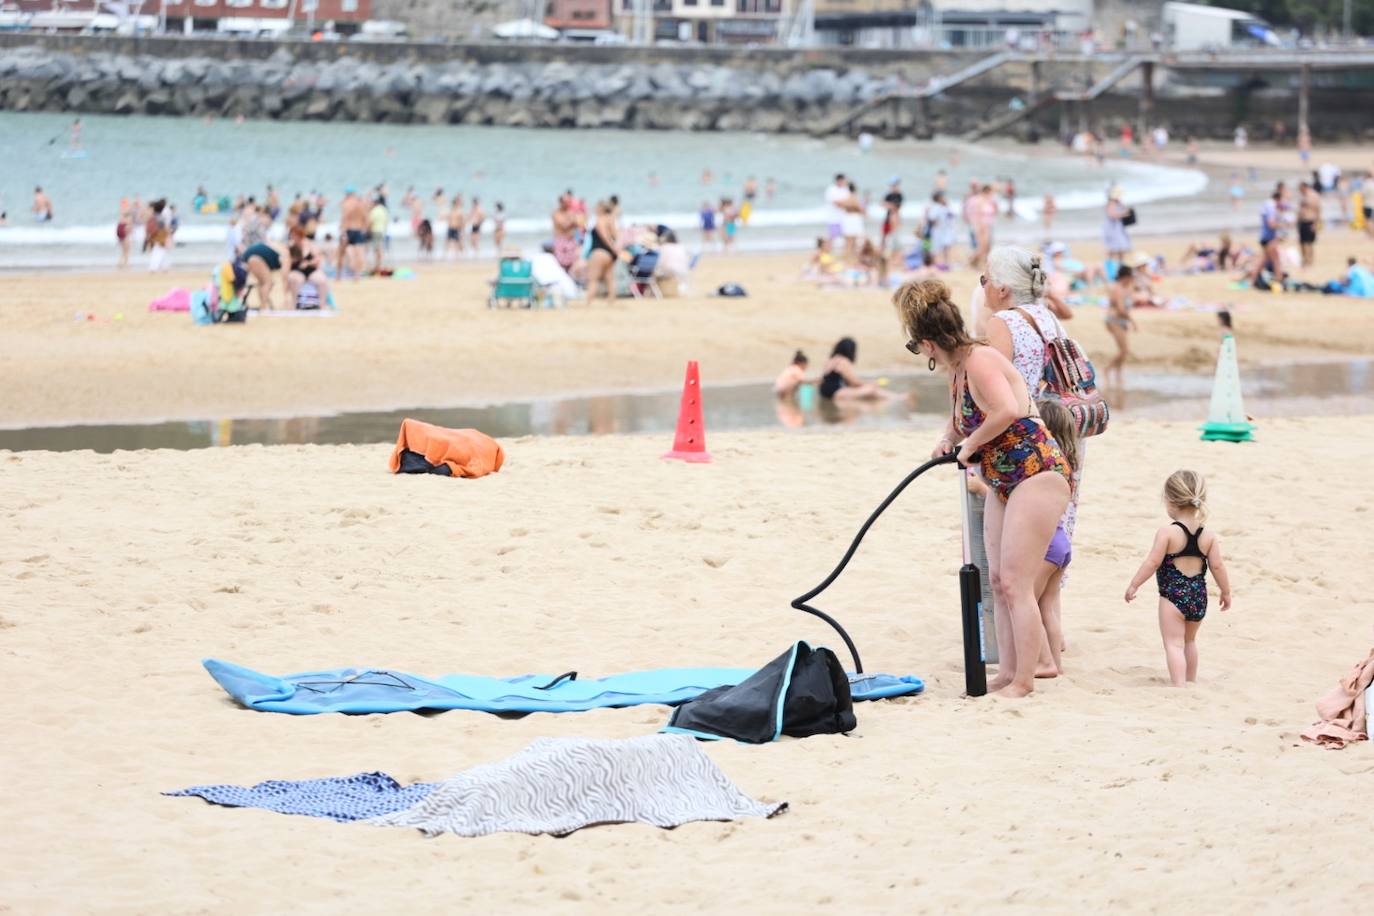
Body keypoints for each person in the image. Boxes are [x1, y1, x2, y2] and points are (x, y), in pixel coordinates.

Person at [896, 278, 1071, 697]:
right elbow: (964, 418)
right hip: (1002, 477)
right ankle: (1009, 673)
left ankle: (1026, 681)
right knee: (998, 580)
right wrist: (949, 437)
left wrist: (971, 444)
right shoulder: (958, 371)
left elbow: (1007, 410)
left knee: (1016, 581)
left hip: (1036, 470)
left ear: (927, 343)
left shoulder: (979, 360)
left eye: (914, 346)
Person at [1125, 470, 1233, 687]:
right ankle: (1190, 681)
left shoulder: (1167, 532)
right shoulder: (1208, 534)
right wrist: (1226, 591)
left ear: (1171, 501)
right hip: (1198, 595)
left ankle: (1179, 686)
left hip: (1172, 596)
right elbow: (1217, 566)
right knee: (1189, 641)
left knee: (1173, 644)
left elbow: (1152, 562)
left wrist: (1134, 584)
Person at [1032, 399, 1080, 678]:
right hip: (1061, 542)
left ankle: (1043, 661)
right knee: (1047, 605)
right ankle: (1055, 664)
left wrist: (979, 486)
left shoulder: (1041, 464)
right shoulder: (1066, 464)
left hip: (1046, 544)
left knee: (1026, 600)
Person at [818, 338, 885, 401]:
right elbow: (854, 382)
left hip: (824, 393)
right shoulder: (843, 361)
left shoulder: (831, 360)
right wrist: (870, 383)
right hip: (836, 392)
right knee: (871, 389)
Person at [585, 199, 624, 306]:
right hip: (610, 254)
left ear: (600, 209)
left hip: (600, 251)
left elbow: (604, 236)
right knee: (610, 278)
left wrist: (612, 248)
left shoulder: (600, 220)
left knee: (593, 278)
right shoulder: (611, 220)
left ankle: (588, 302)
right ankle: (611, 301)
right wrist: (615, 251)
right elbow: (617, 236)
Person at [1104, 263, 1137, 387]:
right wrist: (1133, 322)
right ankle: (1107, 370)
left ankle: (1118, 374)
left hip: (1123, 321)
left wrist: (1127, 321)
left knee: (1122, 350)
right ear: (1125, 276)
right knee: (1124, 350)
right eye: (1131, 276)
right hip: (1114, 321)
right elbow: (1121, 309)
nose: (1132, 278)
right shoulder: (1116, 288)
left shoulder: (1128, 287)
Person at [1252, 184, 1287, 288]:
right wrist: (1284, 225)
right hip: (1269, 237)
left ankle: (1253, 280)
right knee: (1275, 259)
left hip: (1264, 236)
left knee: (1265, 260)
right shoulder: (1271, 206)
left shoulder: (1266, 204)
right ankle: (1279, 280)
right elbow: (1271, 223)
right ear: (1278, 199)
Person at [242, 239, 291, 309]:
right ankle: (264, 307)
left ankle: (264, 304)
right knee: (267, 283)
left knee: (263, 283)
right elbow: (285, 276)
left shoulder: (278, 246)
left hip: (249, 254)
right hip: (256, 257)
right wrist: (286, 294)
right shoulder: (286, 254)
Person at [339, 187, 369, 279]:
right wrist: (364, 230)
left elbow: (344, 219)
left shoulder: (346, 204)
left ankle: (338, 275)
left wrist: (343, 231)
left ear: (348, 194)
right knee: (358, 254)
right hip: (358, 230)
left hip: (348, 230)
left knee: (342, 253)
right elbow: (366, 219)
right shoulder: (360, 204)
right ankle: (357, 275)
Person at [923, 191, 955, 268]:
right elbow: (931, 218)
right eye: (942, 197)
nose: (944, 198)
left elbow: (952, 215)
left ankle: (945, 263)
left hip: (944, 230)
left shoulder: (944, 207)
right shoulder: (936, 207)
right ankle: (936, 263)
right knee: (936, 248)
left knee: (945, 246)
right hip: (937, 231)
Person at [1296, 181, 1320, 268]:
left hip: (1310, 221)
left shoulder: (1313, 196)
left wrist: (1316, 223)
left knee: (1309, 242)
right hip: (1302, 221)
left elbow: (1317, 210)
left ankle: (1310, 260)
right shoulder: (1303, 196)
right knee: (1302, 242)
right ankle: (1304, 259)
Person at [1103, 188, 1131, 262]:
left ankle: (1120, 264)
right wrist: (1124, 214)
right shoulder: (1111, 204)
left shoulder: (1118, 203)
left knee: (1121, 247)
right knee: (1114, 248)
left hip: (1118, 227)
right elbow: (1112, 215)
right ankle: (1112, 263)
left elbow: (1125, 210)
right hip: (1112, 228)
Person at [840, 181, 864, 262]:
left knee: (848, 241)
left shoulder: (845, 198)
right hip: (854, 219)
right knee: (855, 241)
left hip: (846, 218)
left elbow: (842, 206)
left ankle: (847, 259)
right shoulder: (854, 198)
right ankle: (853, 259)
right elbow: (861, 210)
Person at [881, 177, 903, 255]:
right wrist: (891, 206)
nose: (893, 187)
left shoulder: (899, 195)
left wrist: (889, 205)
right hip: (888, 218)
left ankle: (894, 254)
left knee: (894, 238)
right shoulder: (889, 195)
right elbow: (883, 204)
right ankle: (883, 253)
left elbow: (897, 207)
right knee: (884, 237)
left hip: (894, 218)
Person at [824, 174, 849, 243]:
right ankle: (827, 252)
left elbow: (849, 201)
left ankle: (846, 252)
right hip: (833, 218)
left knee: (847, 237)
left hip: (844, 218)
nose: (845, 182)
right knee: (832, 237)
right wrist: (845, 204)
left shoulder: (845, 190)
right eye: (844, 180)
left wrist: (845, 203)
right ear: (839, 180)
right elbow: (835, 203)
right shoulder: (831, 189)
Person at [368, 192, 389, 274]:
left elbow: (371, 222)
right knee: (379, 248)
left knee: (377, 249)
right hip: (382, 231)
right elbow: (386, 221)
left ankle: (378, 266)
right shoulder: (384, 209)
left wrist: (367, 230)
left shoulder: (374, 210)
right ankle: (379, 265)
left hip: (375, 231)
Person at [115, 201, 133, 269]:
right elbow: (129, 230)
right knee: (127, 251)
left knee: (123, 251)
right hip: (126, 237)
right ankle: (125, 264)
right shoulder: (128, 220)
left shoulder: (120, 219)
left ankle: (120, 263)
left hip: (121, 238)